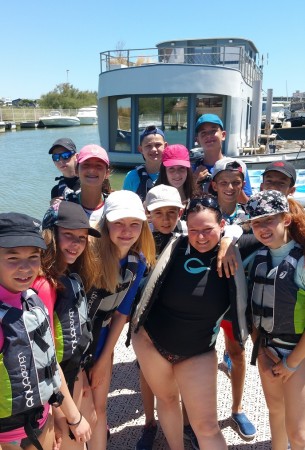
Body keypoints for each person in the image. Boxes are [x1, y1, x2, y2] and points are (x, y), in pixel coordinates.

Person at [131, 196, 249, 450]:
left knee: (207, 427)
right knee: (167, 399)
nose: (201, 237)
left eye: (208, 230)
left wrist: (231, 238)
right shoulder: (175, 245)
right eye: (194, 230)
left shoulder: (233, 251)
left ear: (222, 225)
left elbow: (263, 229)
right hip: (151, 342)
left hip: (198, 352)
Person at [0, 212, 91, 450]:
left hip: (43, 421)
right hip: (7, 437)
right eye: (12, 258)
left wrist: (74, 417)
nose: (25, 267)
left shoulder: (33, 301)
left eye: (33, 257)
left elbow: (50, 364)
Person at [84, 190, 156, 450]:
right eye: (118, 223)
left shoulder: (137, 263)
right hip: (74, 345)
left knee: (99, 410)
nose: (127, 231)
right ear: (105, 224)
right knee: (79, 413)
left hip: (102, 342)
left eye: (134, 224)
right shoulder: (87, 257)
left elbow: (121, 313)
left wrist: (104, 361)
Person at [38, 200, 101, 450]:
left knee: (92, 421)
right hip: (55, 392)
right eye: (68, 235)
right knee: (72, 442)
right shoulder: (44, 285)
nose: (76, 244)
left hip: (72, 375)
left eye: (82, 238)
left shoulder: (69, 275)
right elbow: (47, 358)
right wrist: (67, 415)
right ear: (50, 234)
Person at [244, 190, 305, 450]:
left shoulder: (301, 263)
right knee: (275, 413)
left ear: (286, 220)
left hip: (298, 355)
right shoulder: (256, 260)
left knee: (298, 431)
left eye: (269, 220)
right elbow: (252, 312)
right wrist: (260, 351)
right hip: (267, 350)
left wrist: (291, 363)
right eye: (257, 222)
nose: (262, 228)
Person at [135, 184, 184, 450]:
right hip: (147, 322)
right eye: (159, 213)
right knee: (147, 376)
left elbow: (231, 230)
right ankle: (149, 422)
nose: (166, 219)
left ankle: (184, 424)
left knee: (181, 377)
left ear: (181, 212)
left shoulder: (189, 235)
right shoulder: (139, 240)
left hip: (179, 320)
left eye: (172, 212)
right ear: (147, 213)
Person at [210, 157, 256, 440]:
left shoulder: (251, 215)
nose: (229, 187)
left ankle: (237, 409)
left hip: (236, 298)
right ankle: (200, 412)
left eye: (235, 183)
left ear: (242, 185)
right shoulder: (202, 210)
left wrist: (229, 238)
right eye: (224, 182)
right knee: (198, 357)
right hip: (204, 300)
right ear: (214, 184)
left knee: (237, 354)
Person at [193, 114, 252, 203]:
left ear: (223, 135)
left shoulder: (238, 167)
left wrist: (234, 184)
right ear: (197, 140)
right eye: (203, 133)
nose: (208, 136)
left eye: (213, 131)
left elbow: (247, 203)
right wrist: (194, 181)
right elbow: (186, 201)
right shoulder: (193, 169)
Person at [64, 144, 111, 225]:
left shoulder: (113, 207)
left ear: (107, 173)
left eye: (98, 165)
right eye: (86, 165)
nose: (92, 169)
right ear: (76, 170)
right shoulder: (63, 208)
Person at [123, 126, 167, 201]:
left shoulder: (172, 174)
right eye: (148, 146)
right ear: (141, 149)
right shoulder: (131, 177)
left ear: (165, 146)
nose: (153, 149)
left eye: (158, 145)